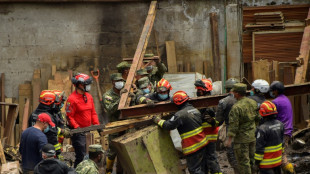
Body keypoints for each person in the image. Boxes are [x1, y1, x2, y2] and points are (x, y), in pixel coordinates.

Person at [153, 91, 207, 174]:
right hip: (202, 143)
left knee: (194, 170)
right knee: (202, 168)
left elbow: (168, 125)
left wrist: (158, 120)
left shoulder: (180, 115)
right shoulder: (195, 109)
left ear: (177, 103)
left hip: (192, 146)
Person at [66, 73, 100, 167]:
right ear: (80, 85)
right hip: (78, 133)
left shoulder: (89, 97)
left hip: (88, 131)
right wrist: (77, 128)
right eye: (86, 84)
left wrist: (97, 125)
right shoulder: (72, 99)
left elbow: (93, 112)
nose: (88, 86)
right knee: (81, 156)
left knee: (90, 156)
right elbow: (69, 117)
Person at [224, 83, 259, 174]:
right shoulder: (253, 102)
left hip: (241, 140)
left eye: (234, 92)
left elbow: (233, 126)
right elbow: (258, 118)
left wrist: (229, 140)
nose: (233, 94)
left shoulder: (236, 107)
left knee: (243, 163)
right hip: (252, 137)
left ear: (237, 93)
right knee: (252, 160)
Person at [194, 79, 222, 174]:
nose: (198, 92)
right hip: (202, 135)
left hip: (210, 134)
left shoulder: (212, 102)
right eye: (197, 90)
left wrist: (211, 120)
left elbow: (218, 120)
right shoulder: (199, 102)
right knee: (203, 158)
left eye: (200, 90)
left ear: (206, 90)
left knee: (211, 157)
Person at [102, 73, 126, 174]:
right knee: (112, 151)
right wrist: (121, 98)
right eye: (117, 81)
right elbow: (110, 109)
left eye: (121, 81)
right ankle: (108, 171)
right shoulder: (108, 96)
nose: (120, 83)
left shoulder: (126, 90)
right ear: (113, 82)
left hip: (127, 125)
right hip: (115, 126)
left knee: (126, 151)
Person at [269, 81, 295, 174]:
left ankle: (291, 172)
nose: (271, 93)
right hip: (287, 131)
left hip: (281, 133)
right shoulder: (286, 99)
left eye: (272, 91)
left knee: (281, 157)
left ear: (275, 91)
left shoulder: (276, 102)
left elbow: (270, 117)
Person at [28, 90, 62, 157]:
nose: (55, 104)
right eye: (54, 102)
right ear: (49, 102)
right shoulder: (48, 117)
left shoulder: (33, 114)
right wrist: (57, 152)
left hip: (33, 149)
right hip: (46, 150)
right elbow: (52, 136)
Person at [215, 78, 239, 173]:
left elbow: (218, 120)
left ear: (226, 89)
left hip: (231, 133)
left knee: (232, 156)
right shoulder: (246, 100)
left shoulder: (223, 102)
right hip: (246, 132)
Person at [254, 101, 284, 174]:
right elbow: (282, 143)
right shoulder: (280, 124)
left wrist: (256, 163)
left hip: (266, 165)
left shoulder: (262, 129)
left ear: (262, 113)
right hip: (278, 162)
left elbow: (259, 149)